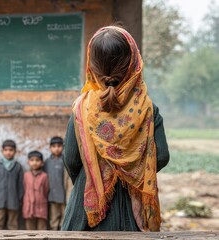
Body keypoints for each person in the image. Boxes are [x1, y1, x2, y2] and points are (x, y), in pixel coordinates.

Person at [61, 26, 170, 232]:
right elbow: (162, 156)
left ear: (92, 65)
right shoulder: (147, 108)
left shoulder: (82, 108)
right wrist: (135, 173)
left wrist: (92, 177)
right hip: (131, 211)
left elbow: (71, 159)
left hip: (85, 210)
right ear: (133, 63)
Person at [0, 140, 24, 230]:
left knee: (13, 223)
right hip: (1, 197)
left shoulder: (18, 166)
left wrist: (20, 198)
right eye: (6, 150)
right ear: (2, 151)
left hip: (14, 198)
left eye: (11, 150)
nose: (8, 152)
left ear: (15, 151)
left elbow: (20, 184)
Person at [43, 136, 66, 230]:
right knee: (53, 217)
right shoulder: (47, 162)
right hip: (52, 195)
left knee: (65, 216)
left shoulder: (65, 161)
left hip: (64, 195)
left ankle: (64, 234)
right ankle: (54, 233)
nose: (56, 148)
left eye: (59, 146)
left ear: (63, 147)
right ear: (50, 148)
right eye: (54, 146)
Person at [23, 151, 49, 230]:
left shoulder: (44, 176)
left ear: (42, 163)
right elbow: (24, 188)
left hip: (41, 205)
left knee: (42, 230)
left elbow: (46, 190)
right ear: (28, 162)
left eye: (37, 160)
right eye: (32, 160)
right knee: (29, 231)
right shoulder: (26, 175)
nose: (34, 162)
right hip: (28, 205)